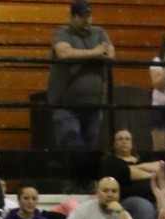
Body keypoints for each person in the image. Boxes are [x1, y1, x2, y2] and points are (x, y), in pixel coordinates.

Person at [46, 0, 114, 151]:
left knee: (90, 150)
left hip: (94, 106)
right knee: (73, 146)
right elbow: (63, 53)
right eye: (82, 17)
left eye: (89, 16)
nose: (86, 21)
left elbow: (110, 54)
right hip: (66, 106)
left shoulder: (99, 32)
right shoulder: (63, 33)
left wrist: (79, 59)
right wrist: (94, 53)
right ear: (72, 17)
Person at [99, 128, 160, 219]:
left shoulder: (141, 158)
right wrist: (144, 171)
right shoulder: (110, 162)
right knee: (143, 205)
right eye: (120, 139)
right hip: (124, 202)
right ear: (114, 143)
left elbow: (158, 167)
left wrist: (137, 166)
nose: (124, 141)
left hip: (152, 201)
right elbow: (128, 172)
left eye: (127, 139)